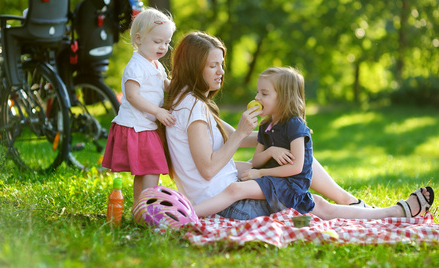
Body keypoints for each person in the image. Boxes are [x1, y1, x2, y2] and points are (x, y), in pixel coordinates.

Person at [163, 32, 434, 220]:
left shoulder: (188, 102)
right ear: (193, 67)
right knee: (318, 205)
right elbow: (209, 169)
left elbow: (232, 137)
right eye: (213, 66)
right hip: (228, 204)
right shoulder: (193, 110)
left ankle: (351, 201)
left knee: (300, 160)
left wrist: (282, 135)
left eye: (221, 64)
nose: (221, 71)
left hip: (227, 187)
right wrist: (247, 135)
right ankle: (385, 212)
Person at [102, 8, 176, 205]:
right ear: (139, 38)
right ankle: (148, 207)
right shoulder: (136, 66)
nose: (163, 47)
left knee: (145, 171)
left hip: (146, 125)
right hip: (136, 126)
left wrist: (178, 85)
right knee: (152, 168)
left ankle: (139, 208)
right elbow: (132, 96)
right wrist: (158, 111)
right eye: (157, 41)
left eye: (167, 42)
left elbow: (165, 84)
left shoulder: (155, 64)